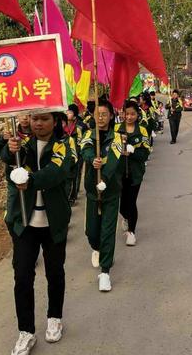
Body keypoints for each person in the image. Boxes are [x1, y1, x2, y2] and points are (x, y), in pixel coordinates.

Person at [0, 112, 72, 355]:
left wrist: (29, 179)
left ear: (55, 122)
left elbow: (56, 173)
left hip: (53, 223)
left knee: (54, 272)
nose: (38, 123)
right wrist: (9, 150)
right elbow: (4, 163)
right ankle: (26, 332)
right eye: (34, 119)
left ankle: (55, 317)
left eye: (44, 119)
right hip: (25, 223)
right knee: (22, 278)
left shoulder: (64, 145)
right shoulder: (23, 146)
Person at [81, 98, 124, 292]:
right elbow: (85, 150)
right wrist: (92, 160)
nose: (100, 117)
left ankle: (105, 272)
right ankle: (97, 248)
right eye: (97, 114)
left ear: (111, 116)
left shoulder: (117, 137)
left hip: (111, 191)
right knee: (92, 231)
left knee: (108, 231)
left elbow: (114, 161)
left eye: (104, 114)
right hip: (92, 192)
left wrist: (104, 178)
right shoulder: (89, 134)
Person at [115, 100, 151, 246]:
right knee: (122, 204)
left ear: (137, 115)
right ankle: (125, 217)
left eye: (132, 114)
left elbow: (145, 153)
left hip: (135, 173)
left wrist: (133, 151)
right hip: (118, 173)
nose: (129, 117)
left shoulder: (142, 130)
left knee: (131, 202)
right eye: (126, 114)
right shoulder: (116, 128)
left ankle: (131, 232)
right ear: (122, 114)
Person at [63, 104, 85, 204]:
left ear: (75, 116)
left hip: (77, 155)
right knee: (66, 176)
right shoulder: (62, 126)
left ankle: (72, 196)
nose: (67, 113)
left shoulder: (79, 127)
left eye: (70, 112)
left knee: (75, 175)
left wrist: (80, 154)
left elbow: (81, 142)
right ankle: (67, 195)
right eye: (67, 111)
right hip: (65, 154)